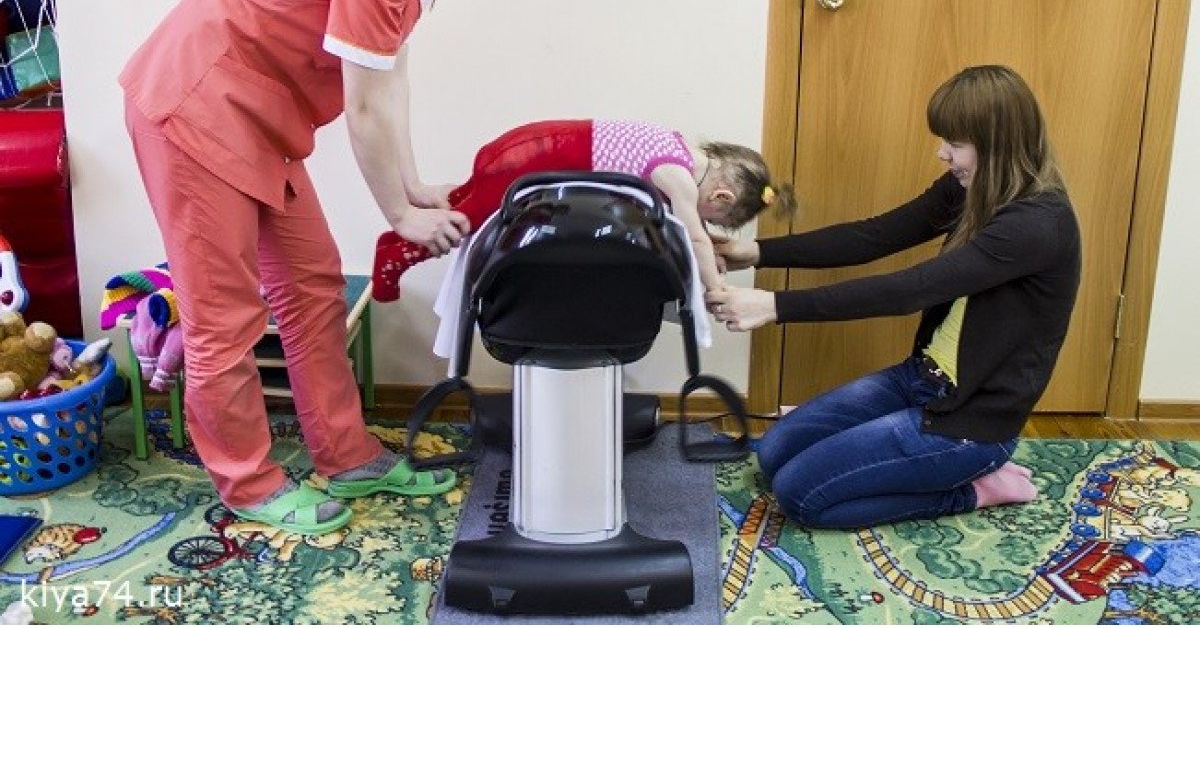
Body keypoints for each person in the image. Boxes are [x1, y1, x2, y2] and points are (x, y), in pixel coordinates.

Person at [120, 0, 525, 537]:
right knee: (224, 318)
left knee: (311, 283)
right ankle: (248, 484)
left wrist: (412, 186)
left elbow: (390, 80)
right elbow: (363, 107)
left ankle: (347, 456)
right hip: (194, 105)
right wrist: (399, 213)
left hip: (257, 117)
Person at [706, 65, 1081, 529]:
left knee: (801, 494)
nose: (942, 153)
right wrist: (758, 252)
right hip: (919, 379)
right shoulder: (971, 187)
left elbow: (912, 289)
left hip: (970, 423)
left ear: (999, 144)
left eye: (955, 143)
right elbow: (875, 235)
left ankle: (976, 488)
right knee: (776, 451)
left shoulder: (1036, 224)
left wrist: (774, 306)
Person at [372, 119, 796, 299]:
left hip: (526, 145)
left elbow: (691, 231)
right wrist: (716, 288)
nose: (702, 220)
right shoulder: (678, 177)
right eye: (711, 216)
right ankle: (396, 256)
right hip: (530, 161)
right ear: (720, 197)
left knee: (469, 202)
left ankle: (395, 240)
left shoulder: (678, 148)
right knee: (467, 222)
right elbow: (695, 237)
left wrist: (708, 244)